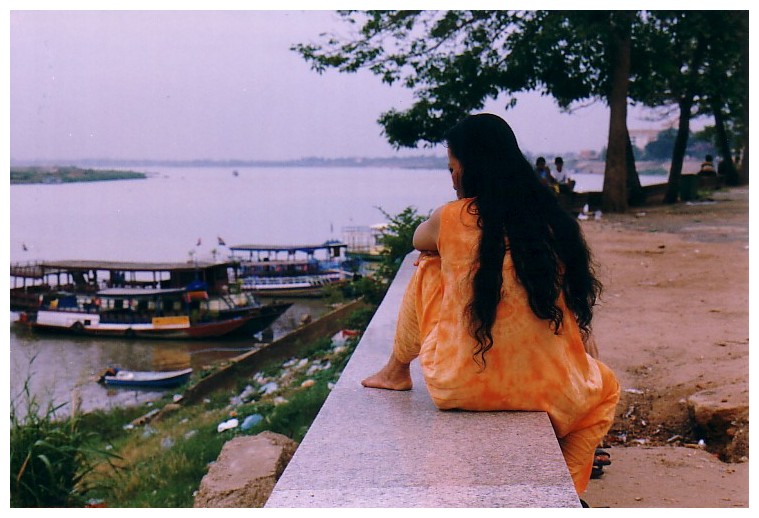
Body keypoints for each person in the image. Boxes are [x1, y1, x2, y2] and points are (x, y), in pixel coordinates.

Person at [361, 113, 620, 498]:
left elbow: (418, 239)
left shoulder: (449, 217)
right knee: (606, 392)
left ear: (469, 168)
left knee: (429, 264)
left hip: (458, 386)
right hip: (547, 390)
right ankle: (563, 488)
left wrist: (455, 234)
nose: (451, 178)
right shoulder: (550, 220)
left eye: (453, 168)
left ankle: (396, 371)